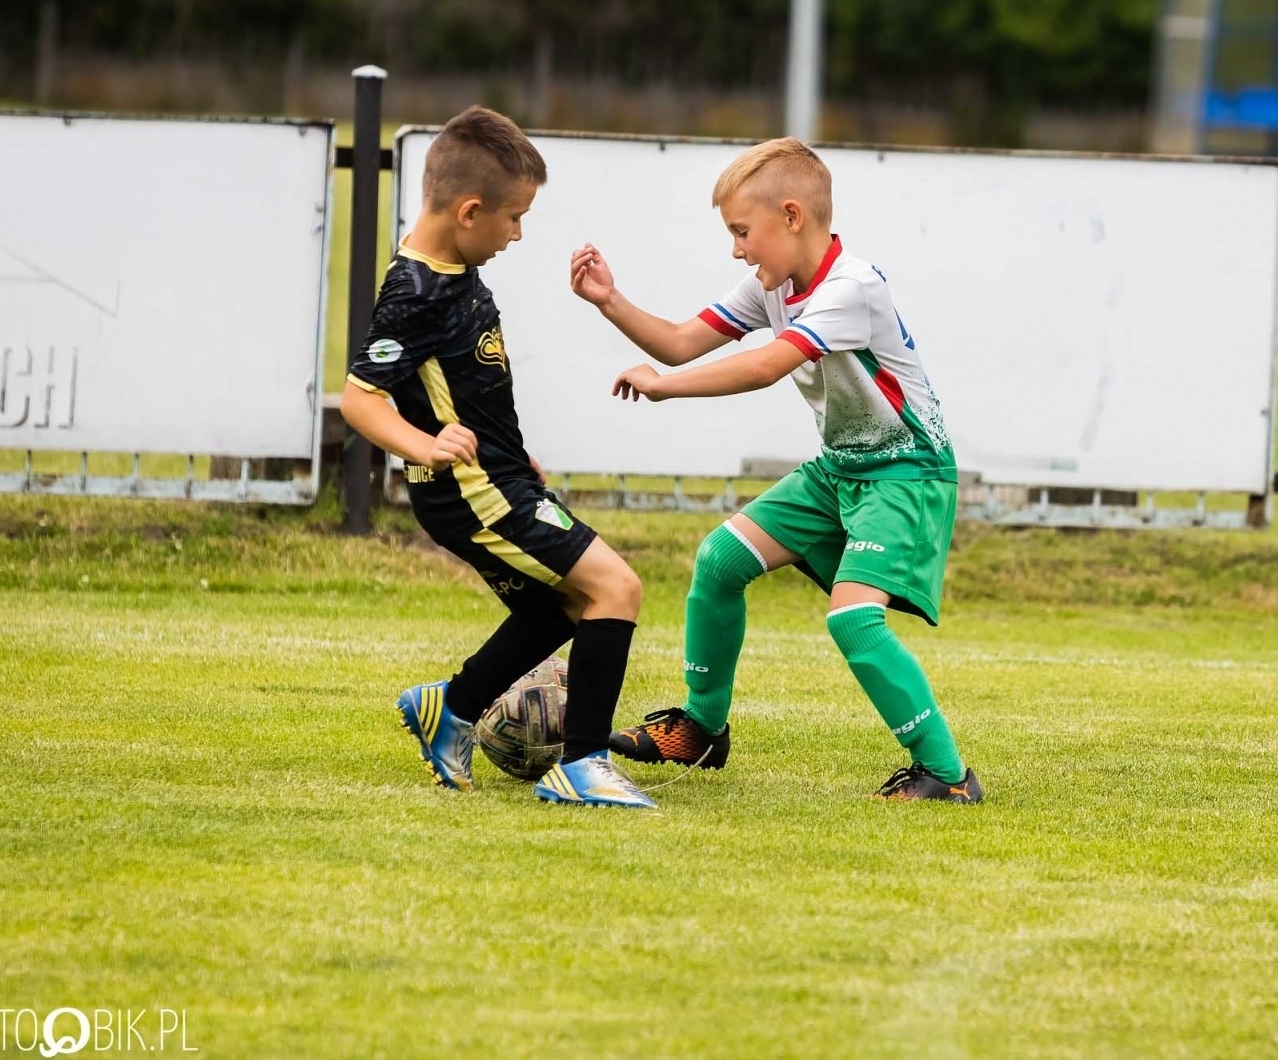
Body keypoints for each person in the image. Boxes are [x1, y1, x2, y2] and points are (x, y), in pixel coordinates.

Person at [569, 138, 982, 802]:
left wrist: (664, 389)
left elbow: (765, 366)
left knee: (853, 619)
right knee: (720, 560)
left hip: (906, 474)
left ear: (791, 216)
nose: (737, 250)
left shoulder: (852, 288)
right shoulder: (774, 285)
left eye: (742, 232)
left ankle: (948, 775)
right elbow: (679, 342)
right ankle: (702, 730)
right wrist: (609, 300)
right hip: (840, 469)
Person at [341, 105, 655, 809]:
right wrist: (426, 445)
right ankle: (583, 765)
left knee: (561, 605)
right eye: (514, 218)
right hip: (474, 492)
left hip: (500, 477)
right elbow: (360, 400)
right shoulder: (415, 291)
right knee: (616, 588)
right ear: (469, 211)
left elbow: (460, 385)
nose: (517, 234)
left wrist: (515, 451)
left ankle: (451, 708)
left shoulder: (452, 265)